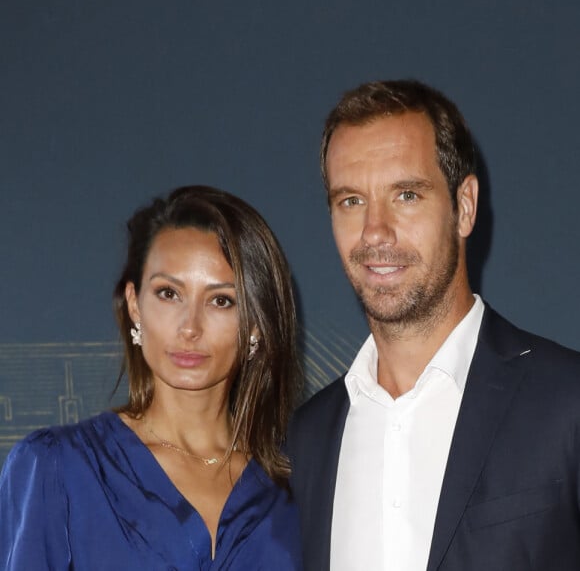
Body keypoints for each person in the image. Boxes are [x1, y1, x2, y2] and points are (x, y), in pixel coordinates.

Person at [287, 80, 580, 570]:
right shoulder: (307, 439)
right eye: (351, 201)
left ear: (463, 206)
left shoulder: (566, 402)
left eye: (406, 194)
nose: (375, 231)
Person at [0, 185, 303, 570]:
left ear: (257, 326)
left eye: (221, 300)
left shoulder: (298, 487)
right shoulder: (58, 468)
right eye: (168, 293)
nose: (189, 327)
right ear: (134, 305)